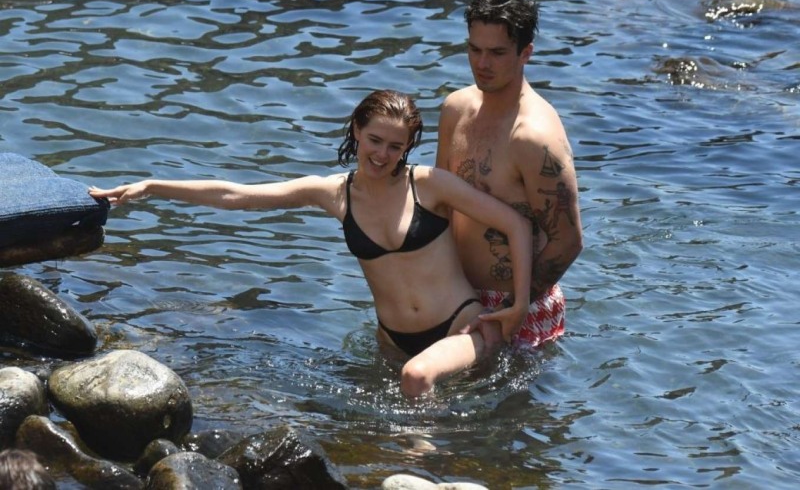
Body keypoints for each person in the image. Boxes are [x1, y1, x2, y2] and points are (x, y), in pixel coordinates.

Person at [90, 90, 533, 398]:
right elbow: (237, 195)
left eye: (395, 147)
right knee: (394, 409)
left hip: (461, 326)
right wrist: (152, 186)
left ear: (407, 147)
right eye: (375, 140)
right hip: (392, 341)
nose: (382, 154)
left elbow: (516, 225)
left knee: (416, 378)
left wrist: (518, 306)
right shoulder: (334, 194)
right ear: (356, 130)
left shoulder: (430, 185)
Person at [436, 0, 583, 345]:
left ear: (525, 53)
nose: (482, 64)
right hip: (455, 293)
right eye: (474, 49)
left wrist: (516, 305)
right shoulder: (455, 110)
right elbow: (440, 205)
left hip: (516, 306)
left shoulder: (533, 138)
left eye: (497, 53)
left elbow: (568, 241)